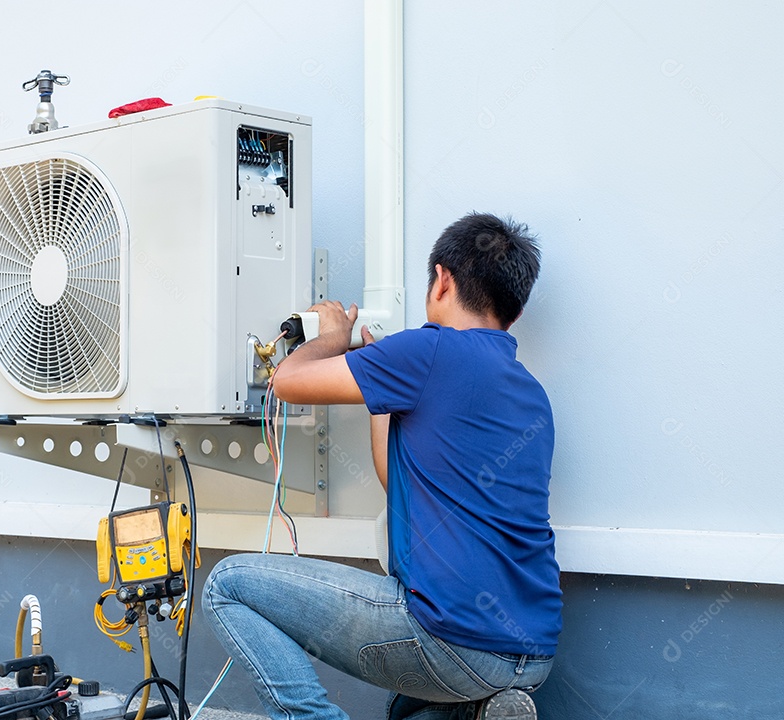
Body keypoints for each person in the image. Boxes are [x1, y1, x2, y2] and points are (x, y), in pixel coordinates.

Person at [202, 213, 561, 720]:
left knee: (227, 584)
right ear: (515, 312)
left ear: (442, 279)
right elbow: (403, 484)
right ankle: (486, 711)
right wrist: (383, 391)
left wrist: (332, 335)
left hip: (451, 642)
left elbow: (286, 381)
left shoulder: (426, 350)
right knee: (405, 710)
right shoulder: (530, 394)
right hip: (529, 652)